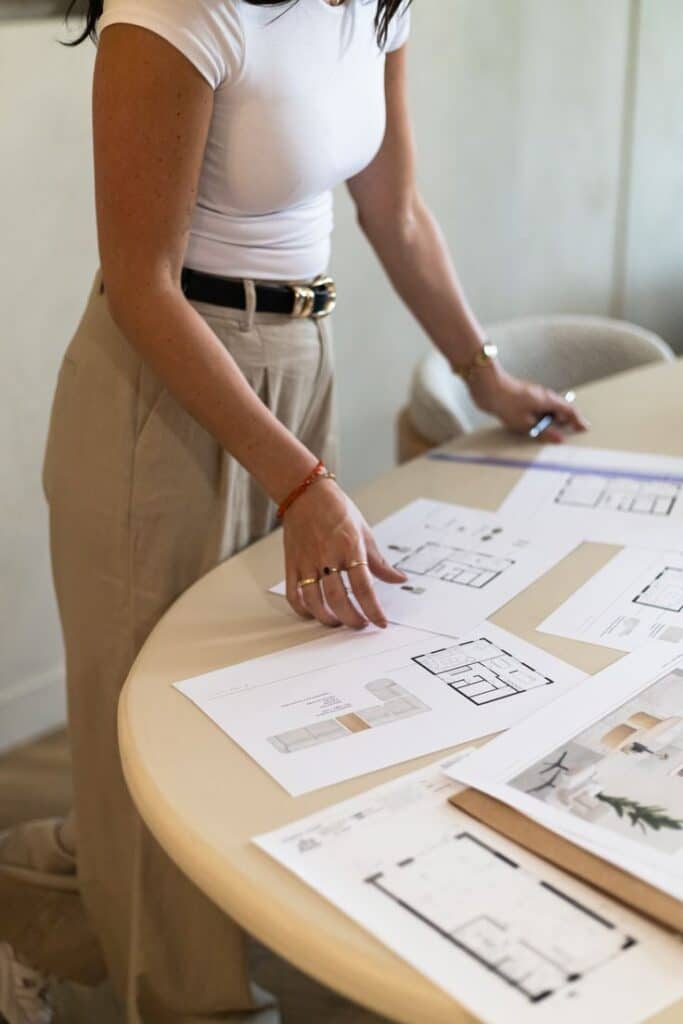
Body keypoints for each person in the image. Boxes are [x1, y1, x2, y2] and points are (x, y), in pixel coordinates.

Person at [0, 1, 587, 1021]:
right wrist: (304, 485)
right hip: (164, 381)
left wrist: (483, 377)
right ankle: (191, 1004)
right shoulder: (181, 10)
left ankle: (46, 899)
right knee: (150, 734)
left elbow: (393, 210)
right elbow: (141, 286)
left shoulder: (373, 7)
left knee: (251, 712)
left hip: (299, 360)